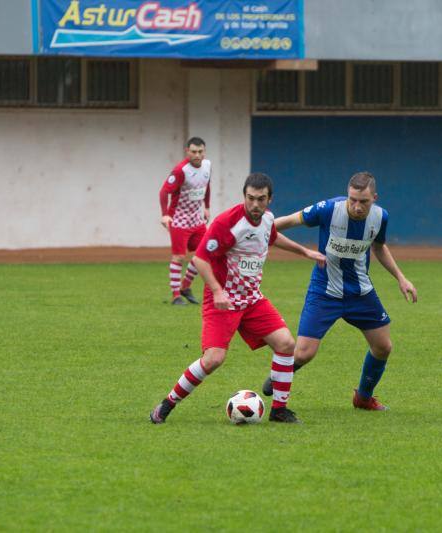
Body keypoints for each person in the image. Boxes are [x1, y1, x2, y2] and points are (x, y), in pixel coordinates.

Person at [150, 173, 326, 424]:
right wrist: (217, 290)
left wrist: (305, 251)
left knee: (286, 344)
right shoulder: (228, 223)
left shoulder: (266, 220)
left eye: (261, 199)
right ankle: (167, 404)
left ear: (269, 199)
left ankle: (279, 410)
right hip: (223, 300)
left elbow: (273, 236)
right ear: (244, 196)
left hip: (252, 300)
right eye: (251, 198)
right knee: (213, 359)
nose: (255, 204)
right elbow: (199, 259)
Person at [261, 171, 417, 411]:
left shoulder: (380, 217)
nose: (356, 206)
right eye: (352, 199)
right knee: (303, 354)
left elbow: (379, 247)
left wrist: (401, 277)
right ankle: (280, 374)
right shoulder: (328, 209)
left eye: (363, 201)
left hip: (360, 292)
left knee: (383, 346)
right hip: (324, 291)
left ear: (374, 197)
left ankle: (363, 397)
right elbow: (291, 220)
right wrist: (259, 228)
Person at [159, 137, 211, 305]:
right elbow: (164, 192)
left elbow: (206, 186)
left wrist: (207, 206)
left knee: (204, 253)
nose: (197, 155)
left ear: (204, 151)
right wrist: (165, 214)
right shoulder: (180, 171)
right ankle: (176, 296)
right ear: (187, 151)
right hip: (180, 220)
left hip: (197, 219)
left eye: (200, 151)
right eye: (193, 152)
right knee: (179, 257)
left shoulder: (207, 166)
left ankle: (185, 285)